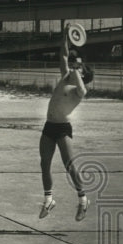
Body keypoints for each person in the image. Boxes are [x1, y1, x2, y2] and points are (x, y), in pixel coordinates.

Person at [39, 25, 94, 221]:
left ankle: (83, 199)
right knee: (44, 163)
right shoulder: (65, 78)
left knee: (69, 164)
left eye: (79, 69)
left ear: (83, 76)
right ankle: (49, 199)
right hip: (49, 126)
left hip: (62, 128)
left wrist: (77, 71)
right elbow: (63, 55)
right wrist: (66, 36)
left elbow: (83, 89)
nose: (74, 68)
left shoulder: (78, 92)